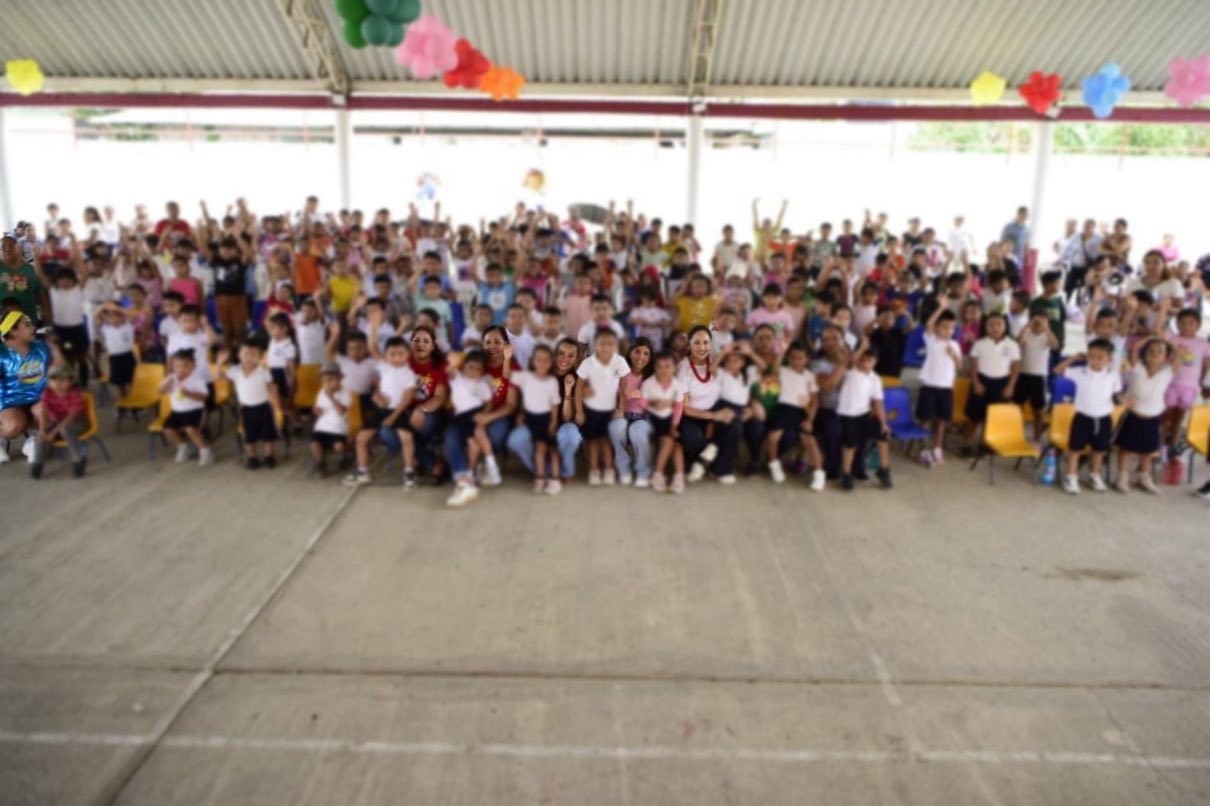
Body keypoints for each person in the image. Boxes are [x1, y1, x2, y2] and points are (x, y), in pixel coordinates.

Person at [507, 337, 584, 483]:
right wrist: (522, 413)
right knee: (515, 440)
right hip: (537, 420)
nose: (565, 359)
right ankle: (542, 471)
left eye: (570, 356)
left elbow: (567, 417)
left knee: (571, 438)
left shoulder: (578, 380)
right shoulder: (540, 372)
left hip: (564, 423)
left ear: (576, 358)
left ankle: (566, 471)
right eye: (561, 353)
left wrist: (568, 392)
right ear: (554, 355)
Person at [345, 333, 417, 487]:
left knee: (407, 439)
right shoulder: (384, 367)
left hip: (398, 411)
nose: (396, 358)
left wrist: (393, 417)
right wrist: (374, 324)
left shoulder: (409, 374)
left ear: (407, 355)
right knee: (361, 438)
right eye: (392, 354)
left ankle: (409, 471)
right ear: (386, 355)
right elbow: (372, 347)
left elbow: (407, 399)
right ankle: (363, 471)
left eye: (400, 354)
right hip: (381, 410)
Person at [1055, 339, 1123, 494]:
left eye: (1100, 357)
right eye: (1092, 356)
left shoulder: (1113, 375)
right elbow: (1058, 370)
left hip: (1104, 418)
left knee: (1099, 450)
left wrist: (1123, 399)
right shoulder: (1079, 372)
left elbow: (1115, 394)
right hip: (1082, 417)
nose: (1095, 360)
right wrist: (1073, 359)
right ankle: (1071, 477)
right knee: (1075, 449)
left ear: (1109, 359)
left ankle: (1094, 475)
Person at [677, 326, 741, 484]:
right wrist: (713, 416)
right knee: (693, 438)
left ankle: (720, 467)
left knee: (735, 425)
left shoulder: (717, 363)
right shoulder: (682, 368)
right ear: (689, 344)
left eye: (706, 343)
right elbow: (685, 409)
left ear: (711, 345)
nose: (701, 347)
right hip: (692, 415)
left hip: (716, 410)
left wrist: (720, 414)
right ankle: (700, 459)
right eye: (696, 343)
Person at [1114, 338, 1177, 494]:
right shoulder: (1138, 368)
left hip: (1152, 419)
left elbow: (1179, 356)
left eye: (1160, 352)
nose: (1155, 354)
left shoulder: (1167, 373)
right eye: (1151, 351)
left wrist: (1166, 340)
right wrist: (1151, 338)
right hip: (1133, 416)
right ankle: (1122, 477)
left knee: (1147, 451)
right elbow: (1135, 348)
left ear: (1166, 358)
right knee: (1126, 449)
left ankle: (1144, 477)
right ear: (1145, 355)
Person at [764, 342, 826, 490]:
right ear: (788, 358)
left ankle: (819, 473)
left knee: (809, 439)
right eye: (793, 357)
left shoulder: (809, 376)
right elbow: (774, 369)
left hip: (799, 411)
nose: (796, 361)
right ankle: (774, 463)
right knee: (773, 437)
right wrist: (783, 350)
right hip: (782, 408)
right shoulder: (784, 371)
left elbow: (815, 400)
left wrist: (810, 420)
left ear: (807, 359)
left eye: (800, 358)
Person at [575, 328, 630, 486]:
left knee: (606, 441)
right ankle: (594, 470)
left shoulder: (620, 362)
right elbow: (579, 389)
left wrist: (621, 409)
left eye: (610, 344)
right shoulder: (588, 363)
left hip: (610, 411)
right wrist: (579, 411)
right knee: (592, 441)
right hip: (591, 410)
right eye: (602, 343)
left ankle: (608, 469)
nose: (606, 347)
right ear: (595, 345)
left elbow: (623, 389)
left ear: (615, 345)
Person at [962, 312, 1021, 454]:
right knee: (974, 416)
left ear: (1005, 326)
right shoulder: (979, 343)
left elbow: (1015, 367)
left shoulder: (1012, 345)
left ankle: (985, 442)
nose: (995, 327)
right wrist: (976, 382)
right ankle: (967, 443)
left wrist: (1010, 386)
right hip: (982, 381)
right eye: (991, 324)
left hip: (1001, 383)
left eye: (999, 324)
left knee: (992, 416)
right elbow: (974, 365)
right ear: (985, 327)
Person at [219, 339, 282, 469]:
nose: (249, 358)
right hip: (246, 408)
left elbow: (271, 388)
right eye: (246, 354)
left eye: (254, 355)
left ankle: (269, 456)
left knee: (268, 434)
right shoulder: (235, 370)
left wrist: (276, 407)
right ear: (239, 355)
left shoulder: (263, 371)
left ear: (259, 357)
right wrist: (220, 363)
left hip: (264, 407)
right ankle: (252, 457)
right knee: (249, 435)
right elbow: (220, 377)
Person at [837, 346, 893, 491]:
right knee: (851, 444)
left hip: (864, 414)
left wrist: (883, 423)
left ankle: (884, 470)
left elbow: (878, 402)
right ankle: (846, 474)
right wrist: (862, 347)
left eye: (869, 360)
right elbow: (852, 361)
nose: (865, 363)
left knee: (882, 434)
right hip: (847, 415)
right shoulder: (851, 373)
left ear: (875, 362)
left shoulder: (875, 379)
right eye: (862, 360)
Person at [445, 350, 496, 507]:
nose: (473, 371)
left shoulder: (483, 384)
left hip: (474, 415)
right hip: (460, 416)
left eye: (477, 369)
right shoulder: (458, 379)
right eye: (470, 367)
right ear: (464, 367)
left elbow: (488, 403)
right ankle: (466, 478)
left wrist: (484, 415)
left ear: (482, 371)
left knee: (474, 444)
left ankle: (468, 476)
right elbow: (449, 370)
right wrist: (457, 363)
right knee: (469, 443)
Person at [512, 344, 564, 494]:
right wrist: (508, 357)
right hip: (531, 418)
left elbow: (555, 404)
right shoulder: (525, 377)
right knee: (539, 449)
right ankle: (540, 477)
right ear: (532, 361)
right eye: (539, 359)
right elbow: (507, 375)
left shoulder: (552, 381)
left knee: (553, 450)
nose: (542, 363)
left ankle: (555, 479)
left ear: (551, 362)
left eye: (546, 360)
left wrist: (554, 422)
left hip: (547, 418)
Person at [916, 304, 961, 467]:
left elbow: (959, 365)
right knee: (925, 419)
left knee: (942, 420)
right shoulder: (932, 341)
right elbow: (929, 324)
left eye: (951, 328)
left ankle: (937, 448)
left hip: (946, 388)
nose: (948, 331)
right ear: (936, 329)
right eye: (944, 327)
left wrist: (954, 355)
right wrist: (941, 308)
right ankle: (922, 449)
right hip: (929, 386)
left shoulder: (955, 345)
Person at [1162, 309, 1210, 453]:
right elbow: (1158, 331)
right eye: (1182, 323)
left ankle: (1173, 445)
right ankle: (1160, 445)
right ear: (1177, 324)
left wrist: (1204, 384)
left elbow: (1206, 366)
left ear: (1198, 325)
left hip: (1190, 387)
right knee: (1165, 417)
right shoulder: (1172, 338)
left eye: (1191, 323)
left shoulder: (1203, 344)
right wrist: (1163, 311)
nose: (1186, 326)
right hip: (1170, 384)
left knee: (1178, 418)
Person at [609, 338, 654, 487]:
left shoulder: (652, 377)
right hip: (621, 414)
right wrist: (616, 407)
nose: (641, 357)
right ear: (630, 353)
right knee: (616, 427)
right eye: (637, 352)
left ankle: (643, 470)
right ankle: (624, 467)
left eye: (646, 354)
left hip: (642, 418)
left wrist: (640, 397)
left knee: (637, 431)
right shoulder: (619, 373)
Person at [157, 349, 213, 466]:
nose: (181, 369)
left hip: (195, 410)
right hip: (177, 411)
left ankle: (204, 451)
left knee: (190, 429)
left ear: (193, 366)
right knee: (167, 429)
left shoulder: (197, 379)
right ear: (173, 366)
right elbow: (160, 391)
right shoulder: (171, 378)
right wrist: (168, 382)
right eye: (178, 366)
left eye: (185, 366)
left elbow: (204, 397)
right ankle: (182, 447)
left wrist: (188, 393)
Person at [641, 350, 687, 493]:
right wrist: (652, 404)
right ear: (654, 368)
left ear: (674, 368)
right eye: (659, 366)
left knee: (677, 444)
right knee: (668, 441)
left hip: (671, 418)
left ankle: (679, 476)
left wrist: (674, 425)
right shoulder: (648, 383)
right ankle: (658, 473)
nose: (663, 370)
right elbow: (642, 404)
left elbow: (679, 407)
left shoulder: (678, 385)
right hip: (654, 418)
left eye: (667, 366)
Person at [31, 364, 86, 479]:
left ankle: (78, 460)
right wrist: (43, 431)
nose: (58, 384)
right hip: (56, 421)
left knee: (65, 430)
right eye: (54, 380)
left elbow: (71, 416)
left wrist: (53, 433)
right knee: (39, 435)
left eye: (63, 380)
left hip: (77, 421)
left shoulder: (75, 393)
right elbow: (43, 412)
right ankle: (37, 463)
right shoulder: (47, 393)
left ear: (71, 381)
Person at [1014, 306, 1059, 442]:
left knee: (1038, 410)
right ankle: (1016, 433)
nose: (1038, 322)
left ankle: (1037, 437)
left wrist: (1047, 328)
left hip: (1039, 376)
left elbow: (1055, 346)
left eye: (1042, 319)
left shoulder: (1047, 335)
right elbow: (1017, 344)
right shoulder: (1026, 333)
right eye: (1036, 319)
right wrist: (1027, 326)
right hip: (1023, 374)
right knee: (1018, 407)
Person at [310, 362, 351, 477]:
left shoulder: (345, 393)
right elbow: (319, 408)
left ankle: (347, 453)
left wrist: (332, 398)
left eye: (331, 380)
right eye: (325, 381)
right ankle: (320, 463)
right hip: (322, 426)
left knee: (338, 447)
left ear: (339, 379)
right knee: (315, 444)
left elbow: (341, 411)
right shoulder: (321, 392)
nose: (327, 384)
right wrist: (316, 410)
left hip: (338, 428)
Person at [1, 232, 49, 323]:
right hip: (3, 323)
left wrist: (45, 312)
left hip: (28, 321)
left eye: (11, 245)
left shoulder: (30, 269)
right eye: (3, 246)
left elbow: (40, 293)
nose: (7, 248)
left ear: (18, 248)